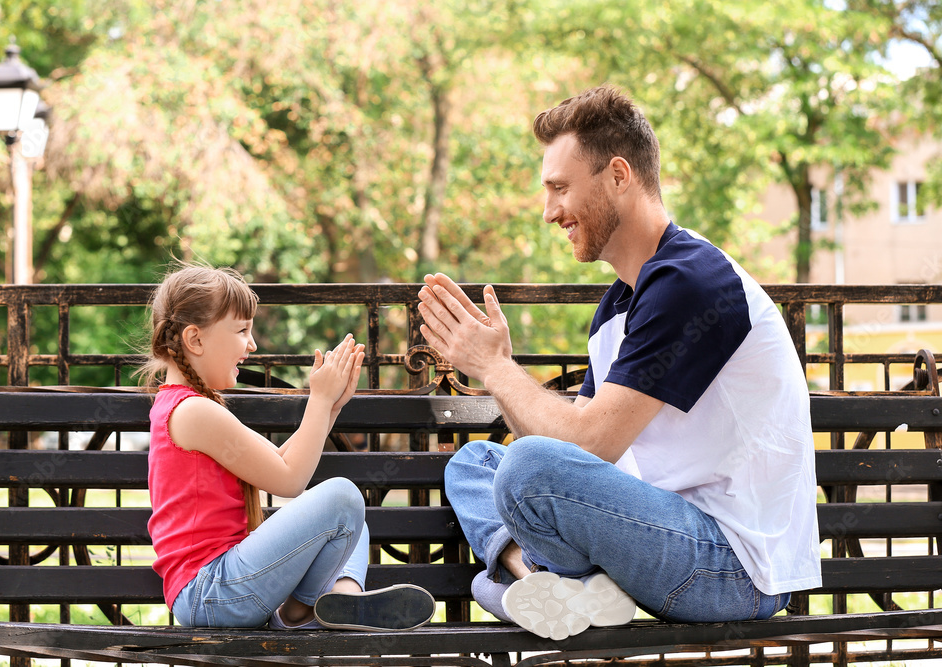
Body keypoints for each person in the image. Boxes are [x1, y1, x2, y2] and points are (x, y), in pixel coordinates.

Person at [417, 86, 821, 641]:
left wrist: (494, 370)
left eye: (560, 188)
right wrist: (504, 366)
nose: (549, 211)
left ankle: (514, 586)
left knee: (526, 468)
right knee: (475, 463)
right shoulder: (620, 302)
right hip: (660, 533)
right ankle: (538, 583)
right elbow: (571, 441)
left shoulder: (690, 281)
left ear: (618, 176)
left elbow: (587, 447)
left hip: (733, 566)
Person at [142, 264, 436, 631]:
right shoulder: (193, 411)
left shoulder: (186, 406)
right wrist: (318, 399)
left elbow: (279, 461)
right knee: (344, 498)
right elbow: (289, 479)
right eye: (242, 331)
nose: (251, 345)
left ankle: (341, 600)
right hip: (211, 592)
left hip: (222, 586)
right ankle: (302, 611)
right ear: (195, 339)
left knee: (353, 522)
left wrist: (329, 406)